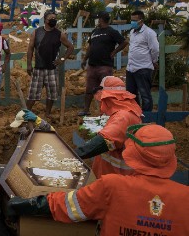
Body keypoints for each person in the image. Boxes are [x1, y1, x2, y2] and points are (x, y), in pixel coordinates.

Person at [6, 124, 189, 236]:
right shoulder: (185, 198)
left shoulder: (113, 186)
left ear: (133, 155)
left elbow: (67, 205)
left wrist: (26, 204)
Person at [14, 76, 142, 178]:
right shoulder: (124, 113)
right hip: (111, 177)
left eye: (103, 99)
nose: (101, 103)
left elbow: (100, 142)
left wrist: (69, 156)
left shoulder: (123, 117)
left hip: (117, 179)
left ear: (111, 98)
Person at [26, 10, 73, 117]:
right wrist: (29, 65)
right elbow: (30, 49)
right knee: (33, 94)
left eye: (55, 19)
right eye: (51, 19)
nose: (53, 21)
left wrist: (62, 59)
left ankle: (47, 113)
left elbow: (70, 47)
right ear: (45, 20)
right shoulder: (36, 32)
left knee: (51, 94)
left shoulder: (59, 34)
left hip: (51, 69)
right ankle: (27, 112)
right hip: (38, 68)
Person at [79, 11, 128, 115]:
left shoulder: (112, 32)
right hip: (92, 65)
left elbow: (124, 42)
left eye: (98, 18)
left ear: (101, 19)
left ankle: (105, 112)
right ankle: (86, 110)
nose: (97, 21)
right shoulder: (94, 32)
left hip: (105, 66)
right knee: (89, 89)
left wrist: (114, 52)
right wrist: (84, 59)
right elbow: (90, 47)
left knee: (106, 90)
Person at [126, 10, 159, 112]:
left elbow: (155, 49)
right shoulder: (132, 32)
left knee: (145, 95)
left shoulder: (149, 33)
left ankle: (146, 118)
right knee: (131, 94)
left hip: (143, 68)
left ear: (141, 21)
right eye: (131, 20)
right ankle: (136, 114)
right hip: (131, 68)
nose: (132, 22)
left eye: (135, 20)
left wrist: (154, 61)